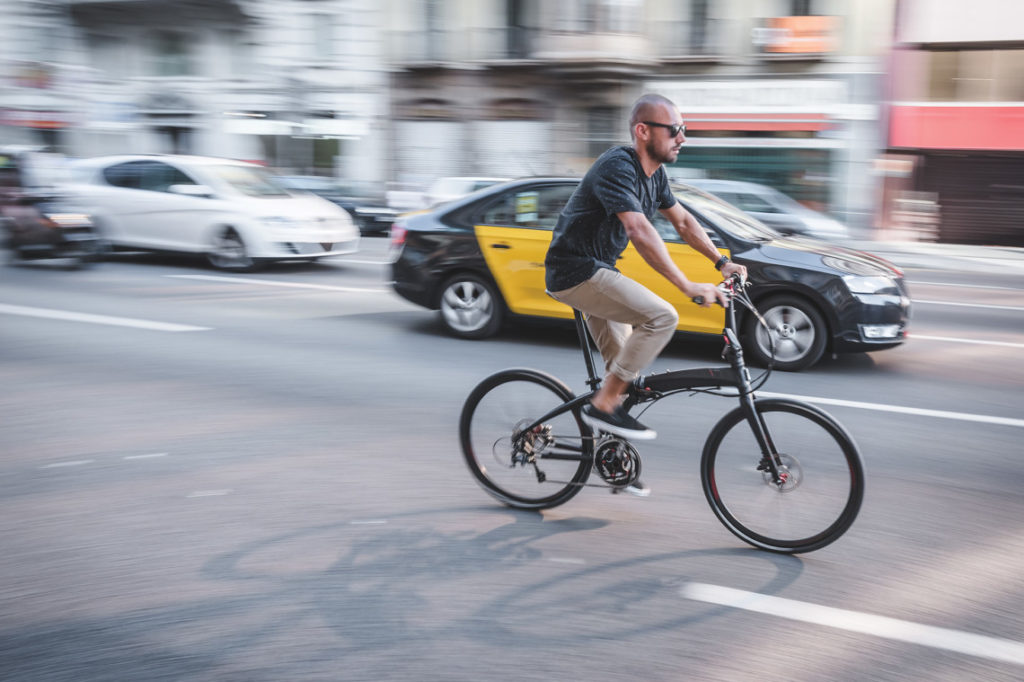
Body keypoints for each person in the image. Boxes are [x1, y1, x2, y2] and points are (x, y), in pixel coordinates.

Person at [545, 94, 747, 494]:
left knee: (624, 374)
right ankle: (603, 405)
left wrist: (720, 262)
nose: (682, 138)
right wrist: (687, 286)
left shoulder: (655, 176)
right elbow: (638, 230)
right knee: (661, 317)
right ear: (643, 131)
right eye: (674, 130)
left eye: (683, 130)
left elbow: (684, 223)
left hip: (599, 270)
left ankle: (612, 460)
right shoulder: (617, 166)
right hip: (575, 271)